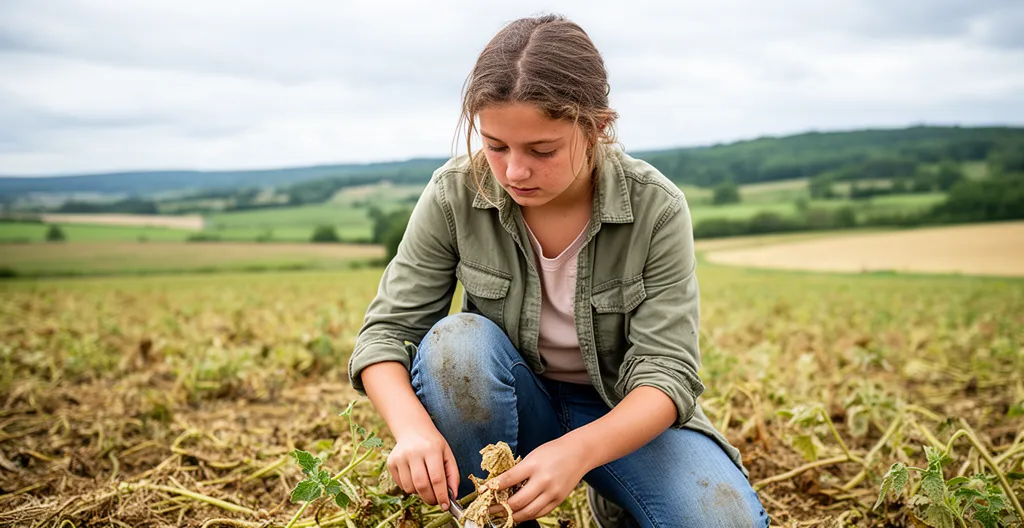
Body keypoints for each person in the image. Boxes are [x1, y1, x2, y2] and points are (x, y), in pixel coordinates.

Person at [349, 14, 769, 528]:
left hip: (619, 416)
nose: (514, 171)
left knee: (724, 522)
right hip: (511, 401)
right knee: (456, 344)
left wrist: (577, 451)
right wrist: (412, 429)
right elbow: (386, 335)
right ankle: (491, 515)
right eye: (495, 146)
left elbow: (667, 373)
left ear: (597, 128)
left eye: (541, 150)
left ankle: (617, 499)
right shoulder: (452, 194)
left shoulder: (656, 207)